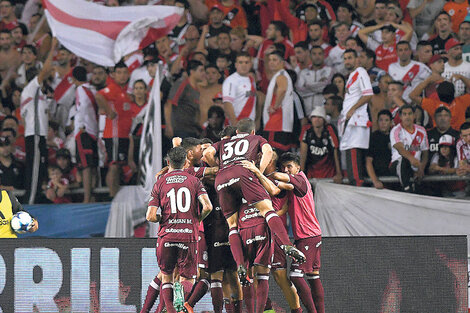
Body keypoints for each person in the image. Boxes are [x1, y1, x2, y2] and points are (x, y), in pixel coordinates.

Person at [203, 118, 305, 285]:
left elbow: (207, 154)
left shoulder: (225, 142)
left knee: (233, 225)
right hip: (244, 172)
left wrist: (221, 167)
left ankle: (241, 265)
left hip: (222, 178)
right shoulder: (256, 139)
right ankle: (287, 245)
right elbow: (268, 152)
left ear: (236, 132)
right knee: (267, 210)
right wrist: (259, 171)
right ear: (252, 132)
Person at [145, 146, 213, 313]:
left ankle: (171, 309)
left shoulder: (160, 182)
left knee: (166, 276)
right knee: (188, 277)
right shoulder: (194, 181)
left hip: (167, 235)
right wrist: (196, 220)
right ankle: (181, 297)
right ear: (185, 163)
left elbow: (150, 216)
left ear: (168, 162)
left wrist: (161, 218)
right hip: (188, 235)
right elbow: (208, 206)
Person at [273, 152, 325, 313]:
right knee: (313, 277)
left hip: (307, 236)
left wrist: (264, 173)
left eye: (289, 166)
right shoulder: (296, 184)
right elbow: (285, 204)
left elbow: (280, 179)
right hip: (312, 235)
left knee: (295, 275)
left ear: (298, 167)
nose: (286, 170)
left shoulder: (301, 180)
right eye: (284, 167)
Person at [21, 37, 57, 204]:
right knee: (34, 169)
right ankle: (31, 201)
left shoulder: (40, 95)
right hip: (34, 135)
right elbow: (47, 69)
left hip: (40, 136)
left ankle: (38, 197)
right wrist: (53, 48)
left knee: (41, 169)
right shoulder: (30, 89)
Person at [95, 61, 136, 197]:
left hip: (123, 135)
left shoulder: (124, 91)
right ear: (113, 75)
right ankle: (113, 196)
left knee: (117, 165)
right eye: (119, 73)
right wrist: (108, 110)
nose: (122, 76)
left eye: (125, 72)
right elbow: (98, 95)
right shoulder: (112, 88)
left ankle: (113, 195)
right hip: (114, 134)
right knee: (114, 165)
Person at [338, 49, 373, 186]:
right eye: (345, 58)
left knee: (353, 153)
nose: (347, 61)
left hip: (356, 120)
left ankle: (357, 184)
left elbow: (368, 94)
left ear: (357, 59)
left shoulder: (361, 72)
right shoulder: (351, 75)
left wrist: (352, 109)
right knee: (351, 153)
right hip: (350, 120)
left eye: (350, 58)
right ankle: (355, 182)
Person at [72, 66, 103, 202]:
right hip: (93, 131)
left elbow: (82, 106)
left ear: (74, 78)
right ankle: (93, 195)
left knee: (85, 165)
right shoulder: (92, 89)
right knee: (93, 164)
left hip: (84, 131)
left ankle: (86, 198)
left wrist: (82, 126)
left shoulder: (80, 89)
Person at [390, 105, 429, 192]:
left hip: (415, 167)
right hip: (398, 164)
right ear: (400, 117)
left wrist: (421, 168)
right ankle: (406, 189)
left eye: (410, 114)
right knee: (403, 160)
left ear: (414, 115)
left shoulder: (422, 130)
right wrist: (411, 159)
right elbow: (400, 148)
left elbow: (425, 153)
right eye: (404, 114)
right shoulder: (396, 130)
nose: (407, 117)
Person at [262, 51, 295, 152]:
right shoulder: (279, 75)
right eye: (270, 60)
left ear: (282, 63)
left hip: (277, 122)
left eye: (274, 60)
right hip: (279, 122)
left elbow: (282, 89)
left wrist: (275, 107)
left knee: (273, 152)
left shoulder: (281, 75)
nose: (271, 62)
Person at [299, 106, 342, 182]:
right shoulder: (306, 130)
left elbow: (336, 151)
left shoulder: (330, 129)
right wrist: (301, 174)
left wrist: (339, 173)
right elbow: (303, 154)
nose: (316, 120)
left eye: (320, 117)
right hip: (311, 172)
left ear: (324, 120)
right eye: (314, 117)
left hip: (329, 172)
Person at [165, 60, 206, 139]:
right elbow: (169, 104)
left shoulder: (197, 90)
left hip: (191, 130)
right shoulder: (182, 84)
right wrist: (169, 126)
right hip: (180, 130)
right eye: (201, 70)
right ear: (192, 71)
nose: (204, 73)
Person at [296, 45, 335, 114]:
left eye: (320, 54)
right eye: (314, 54)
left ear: (324, 55)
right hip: (306, 111)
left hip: (323, 112)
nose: (317, 57)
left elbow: (325, 87)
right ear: (310, 56)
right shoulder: (303, 72)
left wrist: (307, 86)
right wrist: (318, 87)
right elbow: (299, 91)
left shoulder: (330, 70)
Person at [222, 52, 257, 126]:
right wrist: (235, 124)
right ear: (236, 65)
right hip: (236, 125)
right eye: (240, 62)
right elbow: (227, 103)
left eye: (246, 62)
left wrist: (257, 121)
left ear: (250, 64)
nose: (244, 65)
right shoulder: (231, 80)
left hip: (249, 126)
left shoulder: (252, 80)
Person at [366, 110, 393, 189]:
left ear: (391, 122)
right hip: (379, 180)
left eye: (386, 120)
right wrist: (375, 181)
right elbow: (368, 161)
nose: (383, 123)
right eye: (381, 120)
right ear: (377, 122)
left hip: (395, 180)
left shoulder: (396, 136)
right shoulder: (373, 138)